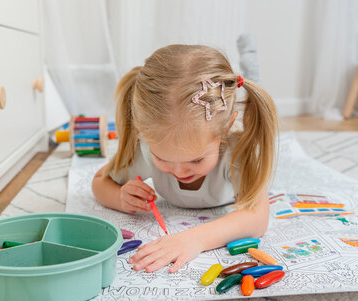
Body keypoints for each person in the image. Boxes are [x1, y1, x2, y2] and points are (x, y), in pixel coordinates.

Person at [92, 44, 278, 273]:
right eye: (162, 158)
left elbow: (257, 218)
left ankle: (249, 59)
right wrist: (120, 197)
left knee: (254, 82)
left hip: (239, 140)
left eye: (196, 161)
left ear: (225, 129)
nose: (179, 172)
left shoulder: (239, 153)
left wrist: (195, 239)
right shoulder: (147, 148)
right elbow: (99, 181)